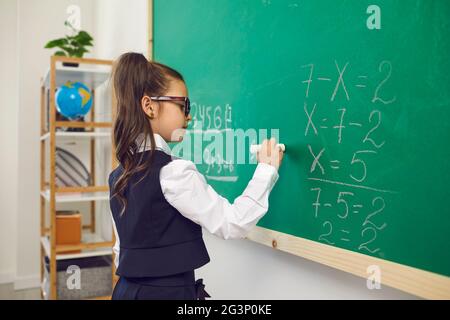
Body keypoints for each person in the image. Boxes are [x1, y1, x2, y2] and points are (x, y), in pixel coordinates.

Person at [109, 52, 284, 300]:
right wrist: (266, 169)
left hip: (126, 292)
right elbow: (232, 223)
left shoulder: (118, 174)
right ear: (149, 106)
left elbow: (120, 249)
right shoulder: (173, 173)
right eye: (183, 105)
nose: (189, 115)